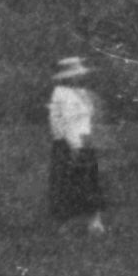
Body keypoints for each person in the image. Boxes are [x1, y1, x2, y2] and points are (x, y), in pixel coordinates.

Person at [46, 55, 107, 235]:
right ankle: (64, 224)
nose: (78, 77)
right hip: (68, 143)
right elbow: (61, 123)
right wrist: (73, 145)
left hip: (85, 140)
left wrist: (88, 140)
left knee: (90, 182)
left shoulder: (81, 93)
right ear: (67, 76)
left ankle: (94, 222)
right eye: (74, 75)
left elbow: (87, 119)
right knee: (66, 183)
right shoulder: (60, 93)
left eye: (79, 74)